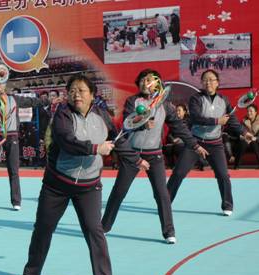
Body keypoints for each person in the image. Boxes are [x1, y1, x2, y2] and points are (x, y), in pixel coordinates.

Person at [17, 74, 142, 275]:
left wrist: (136, 159)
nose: (76, 95)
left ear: (92, 95)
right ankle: (31, 272)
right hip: (57, 184)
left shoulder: (102, 115)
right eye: (72, 91)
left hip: (89, 187)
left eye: (81, 90)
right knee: (43, 228)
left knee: (95, 230)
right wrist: (95, 149)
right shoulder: (62, 115)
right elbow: (67, 141)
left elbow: (117, 140)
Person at [101, 70, 207, 244]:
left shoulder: (165, 105)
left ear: (157, 84)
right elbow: (127, 124)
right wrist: (142, 124)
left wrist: (195, 145)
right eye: (143, 80)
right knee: (119, 192)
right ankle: (104, 227)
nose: (145, 83)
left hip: (154, 156)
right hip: (133, 155)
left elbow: (179, 127)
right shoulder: (132, 101)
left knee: (162, 194)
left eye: (149, 80)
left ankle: (169, 232)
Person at [167, 69, 248, 216]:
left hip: (216, 144)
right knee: (178, 173)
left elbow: (232, 120)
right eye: (205, 80)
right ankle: (165, 203)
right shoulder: (195, 99)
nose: (208, 82)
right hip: (195, 143)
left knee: (223, 175)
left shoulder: (224, 100)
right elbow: (196, 118)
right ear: (201, 83)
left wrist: (244, 132)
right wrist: (217, 121)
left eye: (211, 79)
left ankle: (227, 205)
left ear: (217, 83)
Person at [0, 77, 47, 211]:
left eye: (0, 83)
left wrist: (47, 101)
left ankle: (16, 201)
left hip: (12, 136)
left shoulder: (15, 99)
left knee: (13, 170)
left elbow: (32, 102)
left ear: (4, 84)